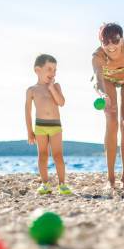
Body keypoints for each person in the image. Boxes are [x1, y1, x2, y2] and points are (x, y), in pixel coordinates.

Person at [91, 23, 124, 190]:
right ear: (100, 42)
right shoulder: (97, 56)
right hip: (107, 82)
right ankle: (111, 178)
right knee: (112, 122)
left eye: (115, 40)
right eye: (105, 42)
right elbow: (98, 81)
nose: (111, 46)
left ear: (121, 39)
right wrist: (103, 95)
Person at [25, 54, 72, 195]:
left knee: (58, 155)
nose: (53, 73)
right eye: (49, 69)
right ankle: (45, 184)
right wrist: (29, 131)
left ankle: (62, 184)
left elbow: (61, 102)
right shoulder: (32, 90)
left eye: (55, 70)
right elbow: (27, 111)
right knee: (43, 155)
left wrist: (52, 88)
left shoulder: (56, 86)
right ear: (37, 70)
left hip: (55, 126)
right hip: (40, 127)